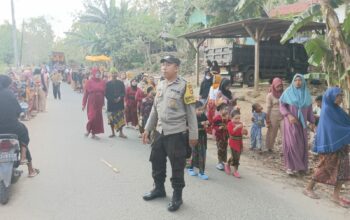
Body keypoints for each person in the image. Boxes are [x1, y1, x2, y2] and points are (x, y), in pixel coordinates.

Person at [142, 55, 198, 212]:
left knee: (177, 166)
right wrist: (147, 129)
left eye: (168, 64)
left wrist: (193, 135)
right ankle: (159, 189)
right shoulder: (160, 84)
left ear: (176, 68)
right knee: (156, 161)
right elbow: (155, 109)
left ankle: (177, 196)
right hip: (160, 132)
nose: (164, 67)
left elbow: (191, 112)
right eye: (162, 65)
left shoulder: (185, 86)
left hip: (176, 133)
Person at [303, 87, 350, 208]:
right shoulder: (328, 110)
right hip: (330, 145)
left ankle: (335, 196)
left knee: (343, 170)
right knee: (324, 167)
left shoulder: (337, 110)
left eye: (341, 96)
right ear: (331, 96)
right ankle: (308, 188)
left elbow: (346, 122)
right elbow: (332, 129)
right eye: (338, 96)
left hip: (341, 145)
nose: (341, 98)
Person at [0, 75, 39, 177]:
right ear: (7, 84)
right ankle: (29, 167)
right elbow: (18, 111)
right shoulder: (9, 94)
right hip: (12, 127)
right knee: (23, 136)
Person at [280, 74, 315, 176]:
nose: (298, 82)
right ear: (293, 81)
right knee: (292, 144)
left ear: (303, 82)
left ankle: (301, 167)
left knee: (301, 145)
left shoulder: (306, 94)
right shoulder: (288, 92)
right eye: (296, 80)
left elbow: (309, 110)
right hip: (291, 123)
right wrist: (288, 115)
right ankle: (290, 167)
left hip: (302, 124)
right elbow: (282, 106)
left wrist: (312, 121)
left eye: (300, 80)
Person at [187, 101, 209, 180]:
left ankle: (201, 172)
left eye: (202, 110)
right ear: (193, 110)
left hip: (203, 137)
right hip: (194, 138)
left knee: (202, 154)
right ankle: (190, 168)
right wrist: (201, 124)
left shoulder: (203, 115)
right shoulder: (191, 116)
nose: (201, 111)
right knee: (193, 153)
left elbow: (208, 122)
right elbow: (189, 125)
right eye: (199, 110)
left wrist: (207, 122)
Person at [82, 68, 106, 139]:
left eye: (99, 73)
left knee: (97, 118)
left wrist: (103, 103)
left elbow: (103, 93)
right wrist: (84, 104)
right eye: (96, 73)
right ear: (93, 73)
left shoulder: (102, 82)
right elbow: (86, 94)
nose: (98, 74)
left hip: (99, 102)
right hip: (92, 101)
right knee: (92, 117)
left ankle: (93, 133)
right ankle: (88, 130)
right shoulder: (89, 82)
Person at [105, 71, 127, 139]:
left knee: (120, 118)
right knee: (111, 119)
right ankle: (113, 133)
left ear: (117, 74)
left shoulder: (121, 83)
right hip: (111, 103)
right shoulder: (107, 84)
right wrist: (112, 99)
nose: (114, 74)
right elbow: (106, 94)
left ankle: (121, 133)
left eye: (115, 73)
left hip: (119, 103)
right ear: (110, 74)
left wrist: (120, 98)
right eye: (112, 73)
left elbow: (123, 92)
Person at [227, 110, 248, 178]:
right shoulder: (230, 124)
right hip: (232, 142)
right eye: (235, 118)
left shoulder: (241, 124)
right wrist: (237, 127)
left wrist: (244, 128)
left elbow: (245, 133)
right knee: (234, 157)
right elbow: (231, 132)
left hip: (239, 142)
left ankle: (235, 171)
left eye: (239, 118)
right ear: (231, 118)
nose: (237, 120)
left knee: (237, 157)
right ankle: (228, 164)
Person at [265, 77, 284, 152]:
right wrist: (267, 118)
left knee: (285, 132)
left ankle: (286, 148)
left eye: (281, 86)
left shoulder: (284, 94)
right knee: (272, 132)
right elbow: (268, 108)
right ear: (273, 86)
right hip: (273, 115)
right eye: (277, 86)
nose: (279, 88)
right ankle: (269, 147)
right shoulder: (270, 95)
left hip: (283, 116)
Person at [212, 103, 229, 171]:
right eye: (225, 109)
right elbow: (213, 126)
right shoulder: (217, 118)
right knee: (220, 149)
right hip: (219, 137)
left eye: (227, 109)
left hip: (226, 137)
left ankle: (224, 162)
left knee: (225, 149)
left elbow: (230, 125)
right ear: (221, 110)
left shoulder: (228, 118)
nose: (227, 111)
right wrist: (219, 128)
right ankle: (219, 162)